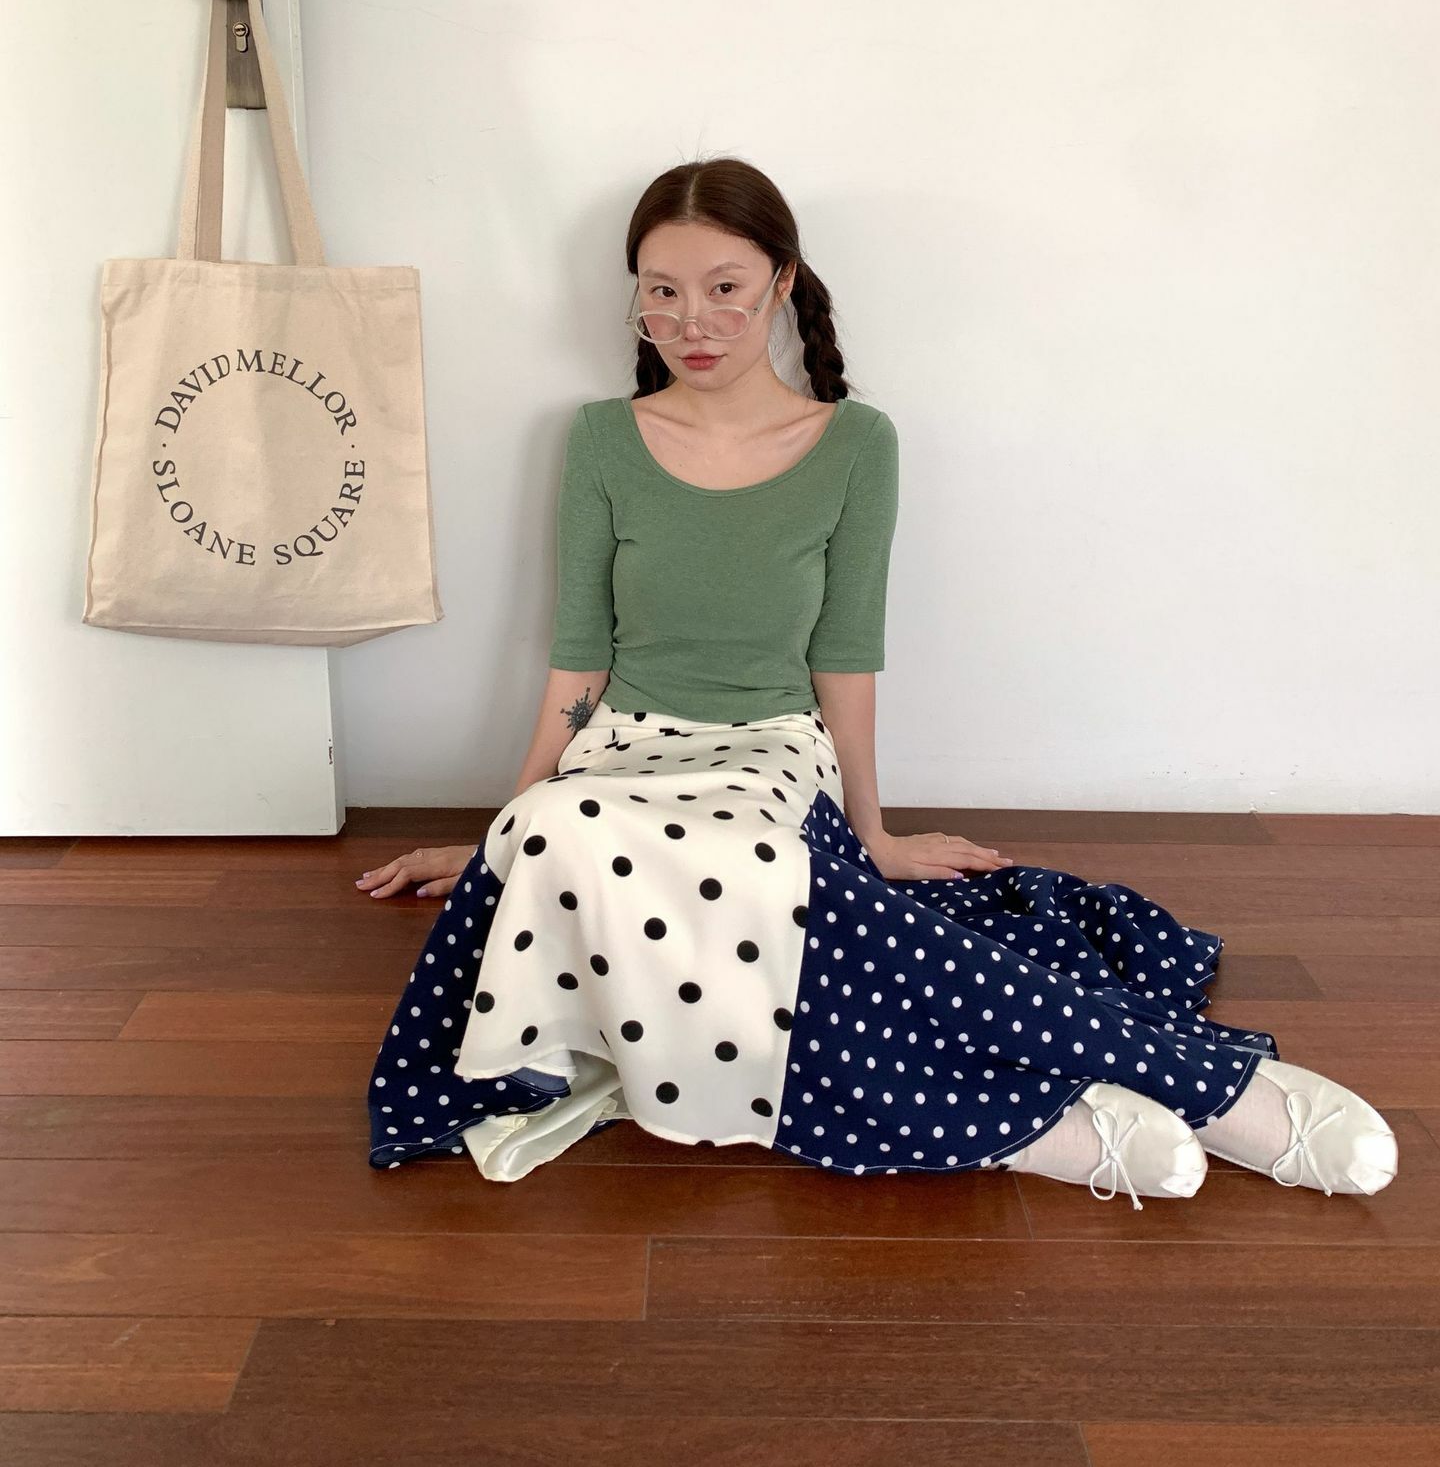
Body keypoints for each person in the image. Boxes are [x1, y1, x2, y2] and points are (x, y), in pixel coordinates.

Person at [358, 157, 1397, 1206]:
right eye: (662, 290)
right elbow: (579, 657)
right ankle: (1034, 1124)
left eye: (725, 287)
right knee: (564, 824)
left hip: (767, 749)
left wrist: (873, 833)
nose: (691, 321)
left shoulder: (855, 443)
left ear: (782, 282)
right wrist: (503, 836)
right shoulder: (600, 438)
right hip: (621, 752)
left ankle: (1198, 1084)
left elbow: (844, 657)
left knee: (756, 868)